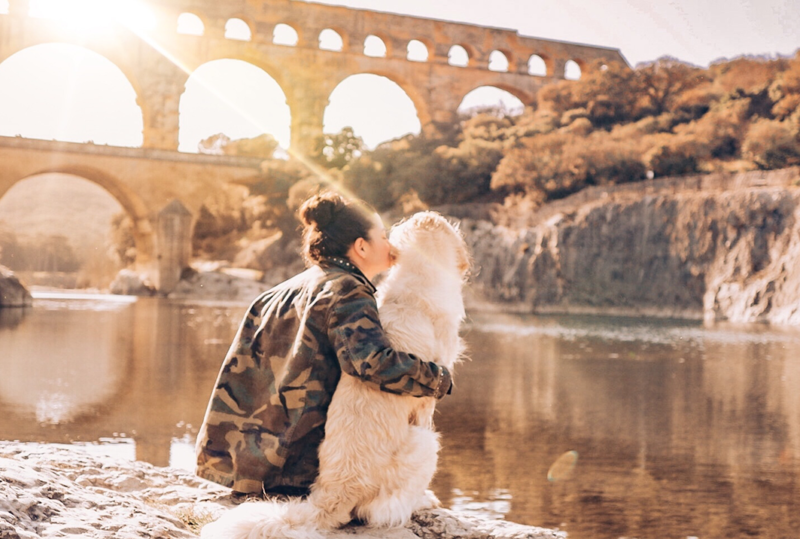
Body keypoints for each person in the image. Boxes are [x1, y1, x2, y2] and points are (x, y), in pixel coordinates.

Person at [195, 191, 452, 497]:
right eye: (383, 236)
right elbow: (370, 361)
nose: (391, 245)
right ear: (361, 246)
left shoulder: (279, 291)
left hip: (235, 468)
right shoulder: (349, 290)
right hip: (291, 473)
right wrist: (437, 378)